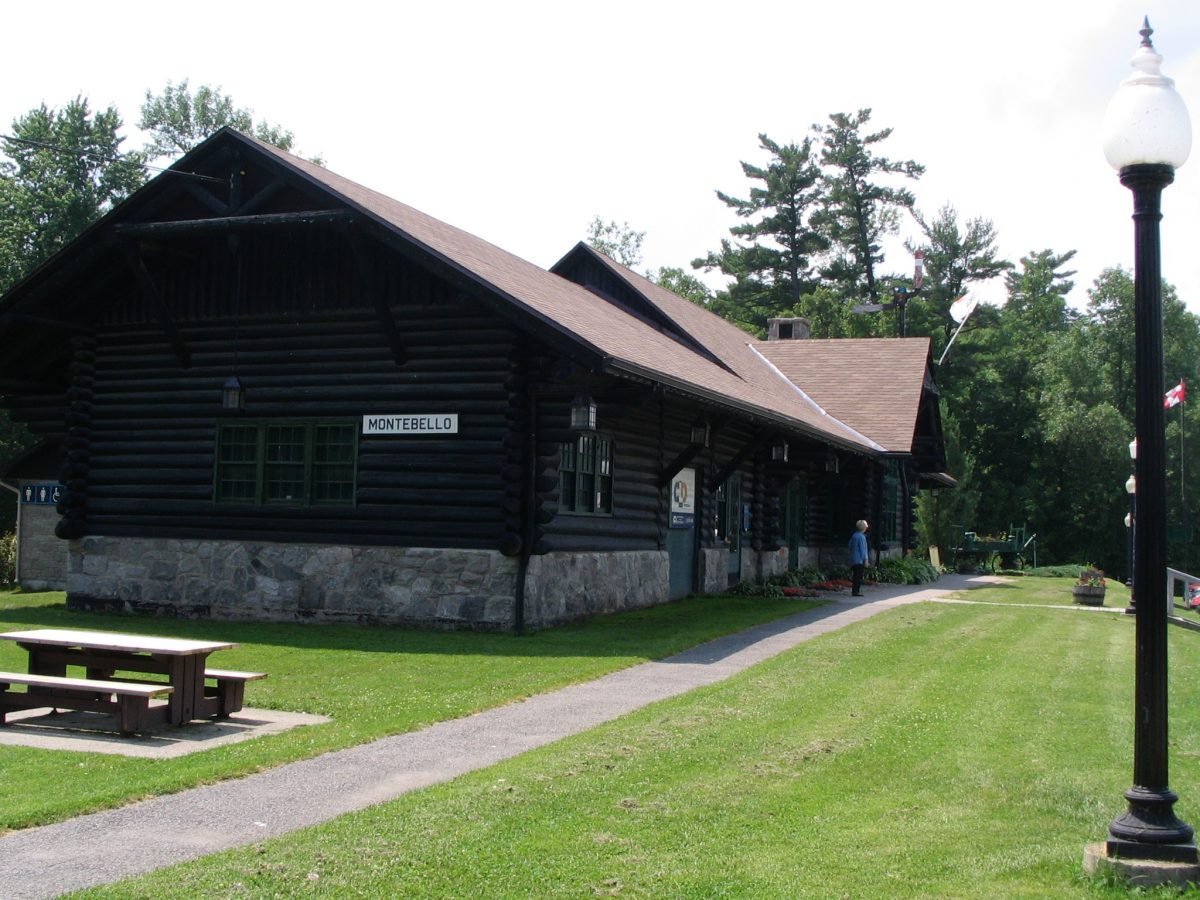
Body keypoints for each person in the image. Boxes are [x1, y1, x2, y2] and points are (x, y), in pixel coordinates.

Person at [848, 519, 869, 597]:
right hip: (859, 560)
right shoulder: (861, 537)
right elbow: (863, 550)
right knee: (858, 576)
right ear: (864, 528)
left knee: (855, 575)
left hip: (853, 559)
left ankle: (854, 591)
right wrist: (866, 560)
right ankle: (856, 591)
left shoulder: (854, 535)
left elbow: (849, 545)